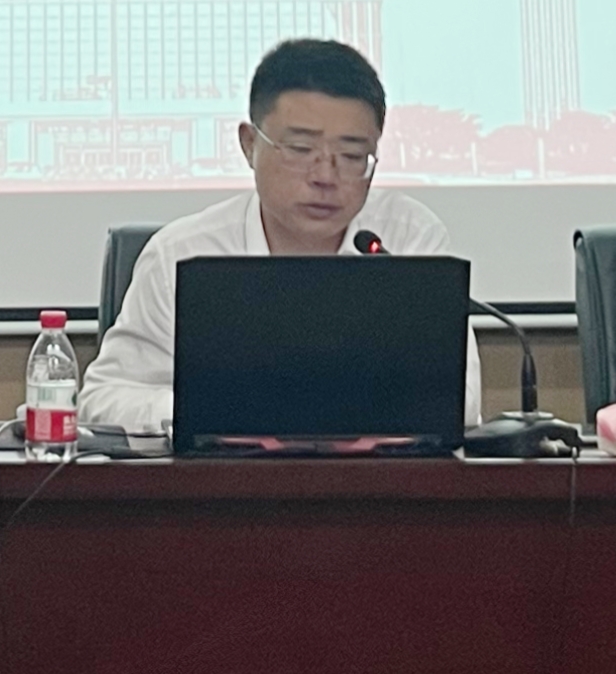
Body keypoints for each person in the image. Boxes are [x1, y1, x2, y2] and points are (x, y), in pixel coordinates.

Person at [78, 36, 483, 434]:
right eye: (300, 149)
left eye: (352, 156)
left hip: (373, 476)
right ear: (249, 144)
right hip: (226, 476)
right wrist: (203, 408)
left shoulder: (408, 239)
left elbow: (460, 402)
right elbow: (103, 399)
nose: (325, 176)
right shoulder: (181, 252)